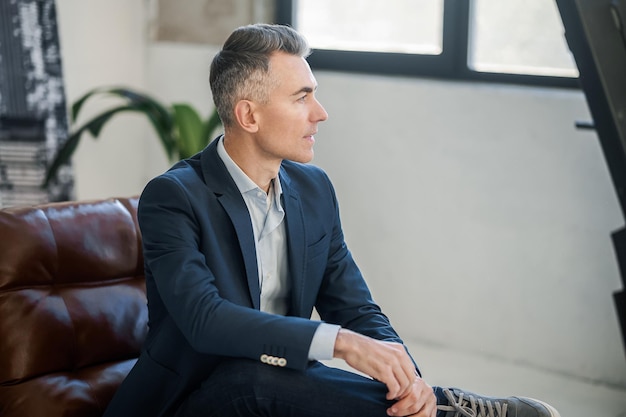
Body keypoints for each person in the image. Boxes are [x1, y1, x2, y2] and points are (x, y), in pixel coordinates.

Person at [103, 23, 560, 417]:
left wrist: (410, 382)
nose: (320, 113)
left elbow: (355, 307)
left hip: (279, 386)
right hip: (191, 399)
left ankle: (435, 405)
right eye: (302, 98)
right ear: (248, 115)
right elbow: (206, 320)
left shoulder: (313, 189)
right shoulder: (174, 196)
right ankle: (450, 409)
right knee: (255, 377)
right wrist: (341, 343)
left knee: (289, 380)